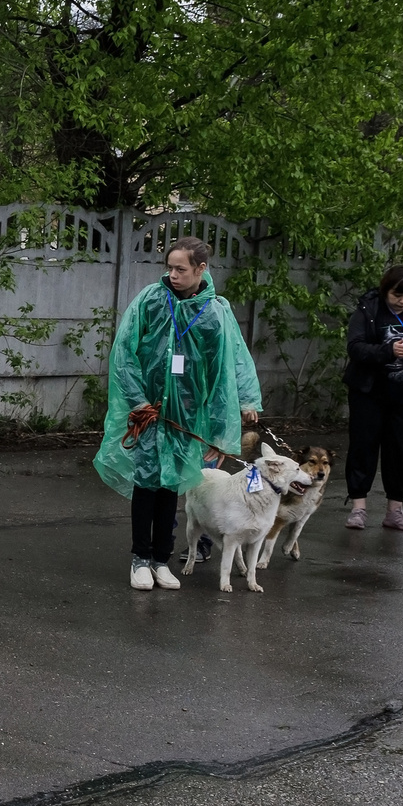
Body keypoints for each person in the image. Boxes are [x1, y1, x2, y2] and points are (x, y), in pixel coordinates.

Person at [94, 236, 261, 589]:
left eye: (180, 269)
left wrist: (237, 411)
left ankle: (161, 559)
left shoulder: (215, 311)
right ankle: (139, 558)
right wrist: (139, 401)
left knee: (171, 484)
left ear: (201, 269)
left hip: (186, 415)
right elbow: (124, 353)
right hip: (149, 412)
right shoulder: (151, 301)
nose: (172, 274)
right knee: (147, 482)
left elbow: (228, 366)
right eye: (169, 267)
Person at [341, 263, 403, 532]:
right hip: (369, 393)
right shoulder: (369, 310)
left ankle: (395, 510)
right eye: (398, 295)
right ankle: (359, 508)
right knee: (364, 447)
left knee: (400, 450)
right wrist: (388, 351)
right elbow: (355, 347)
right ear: (386, 289)